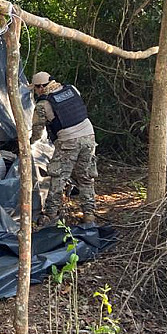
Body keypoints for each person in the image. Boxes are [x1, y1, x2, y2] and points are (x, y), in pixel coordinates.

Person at [29, 71, 97, 226]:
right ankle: (89, 216)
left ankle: (50, 216)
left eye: (36, 88)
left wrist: (29, 144)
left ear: (40, 87)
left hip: (68, 141)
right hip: (89, 136)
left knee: (58, 178)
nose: (36, 91)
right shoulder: (72, 89)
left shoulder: (42, 105)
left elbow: (37, 131)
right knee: (86, 177)